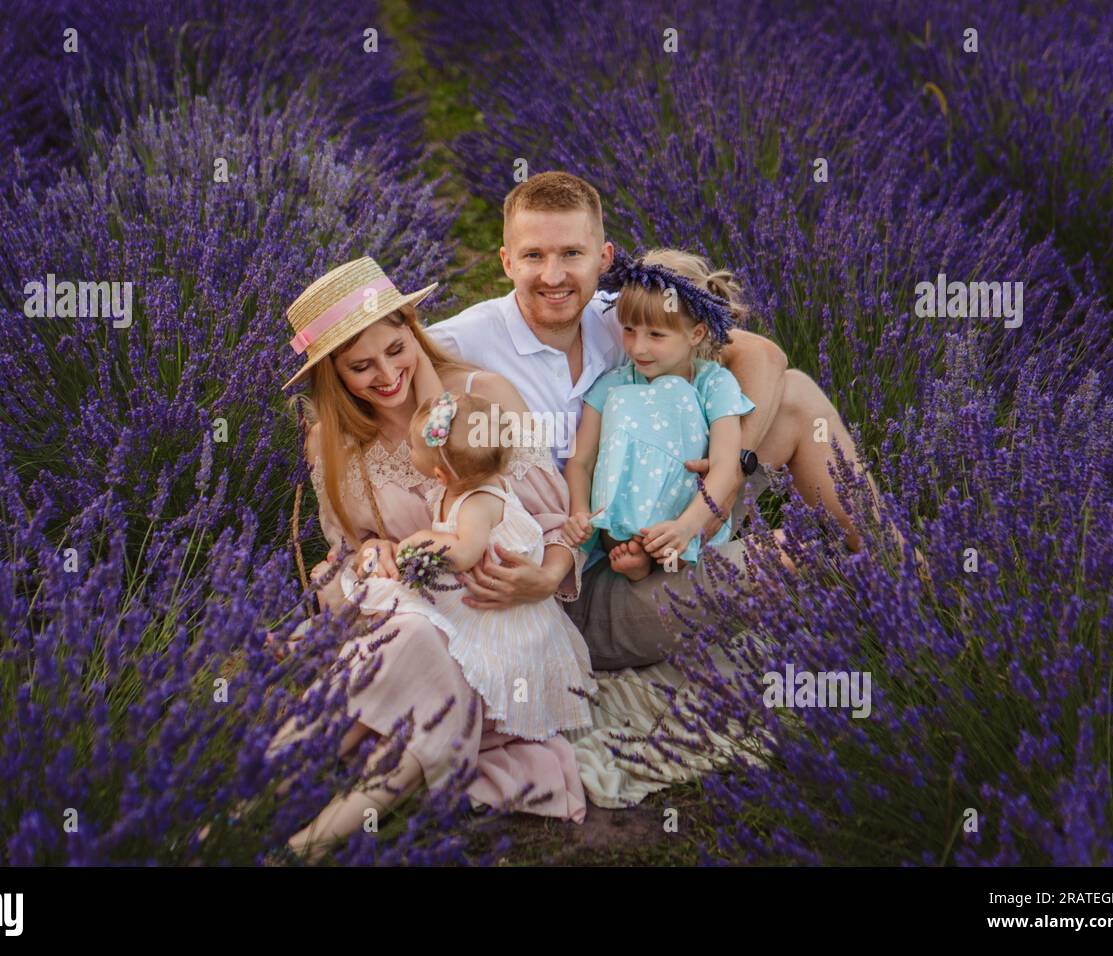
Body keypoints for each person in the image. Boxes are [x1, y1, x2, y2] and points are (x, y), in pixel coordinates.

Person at [426, 170, 877, 669]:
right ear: (507, 262)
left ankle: (903, 572)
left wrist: (725, 480)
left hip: (673, 513)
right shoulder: (462, 342)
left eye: (572, 254)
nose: (553, 276)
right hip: (573, 585)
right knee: (795, 556)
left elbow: (763, 357)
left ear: (604, 259)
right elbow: (373, 375)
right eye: (534, 255)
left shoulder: (619, 315)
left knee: (795, 395)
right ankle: (879, 626)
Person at [273, 256, 588, 862]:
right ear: (333, 373)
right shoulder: (331, 444)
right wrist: (372, 553)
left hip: (501, 634)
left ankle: (299, 832)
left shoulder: (482, 399)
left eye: (396, 350)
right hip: (406, 621)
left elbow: (552, 523)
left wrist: (544, 576)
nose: (386, 374)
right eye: (361, 367)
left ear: (412, 328)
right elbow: (343, 555)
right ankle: (262, 801)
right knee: (414, 638)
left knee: (419, 644)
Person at [337, 389, 598, 742]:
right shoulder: (458, 488)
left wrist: (422, 539)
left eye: (413, 450)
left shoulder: (478, 501)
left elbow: (465, 553)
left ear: (440, 475)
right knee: (391, 604)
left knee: (460, 656)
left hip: (500, 614)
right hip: (472, 596)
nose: (408, 454)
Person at [561, 248, 755, 583]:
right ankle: (630, 551)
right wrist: (579, 510)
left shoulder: (714, 384)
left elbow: (725, 466)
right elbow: (580, 462)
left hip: (687, 518)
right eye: (630, 330)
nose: (637, 348)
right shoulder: (612, 385)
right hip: (618, 522)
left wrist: (686, 525)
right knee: (624, 401)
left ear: (695, 334)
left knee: (677, 398)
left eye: (656, 335)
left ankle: (660, 556)